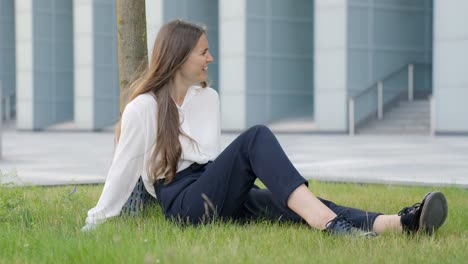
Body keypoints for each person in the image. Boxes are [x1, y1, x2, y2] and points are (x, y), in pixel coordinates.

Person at [82, 19, 448, 236]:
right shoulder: (143, 108)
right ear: (179, 58)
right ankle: (329, 225)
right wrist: (95, 220)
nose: (210, 58)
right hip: (184, 204)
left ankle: (400, 223)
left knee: (292, 202)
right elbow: (122, 173)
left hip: (213, 186)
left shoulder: (209, 99)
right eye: (203, 52)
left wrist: (242, 184)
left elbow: (211, 159)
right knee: (256, 137)